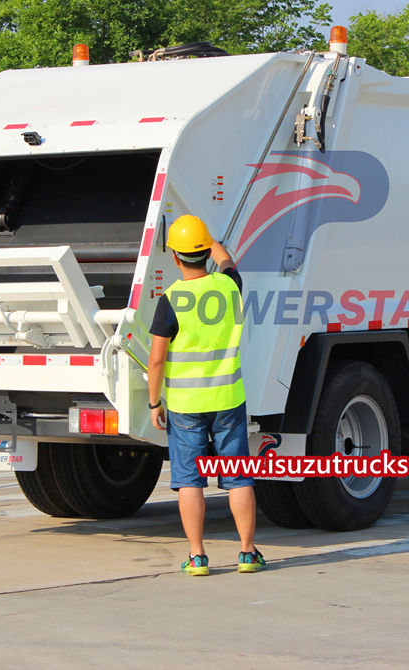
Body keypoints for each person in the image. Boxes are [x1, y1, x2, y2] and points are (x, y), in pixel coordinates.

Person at [147, 214, 265, 576]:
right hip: (228, 399)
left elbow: (156, 360)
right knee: (238, 477)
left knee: (189, 480)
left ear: (176, 258)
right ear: (205, 254)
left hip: (185, 406)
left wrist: (154, 403)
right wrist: (214, 242)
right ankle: (247, 553)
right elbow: (227, 263)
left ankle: (197, 557)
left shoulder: (171, 300)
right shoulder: (230, 287)